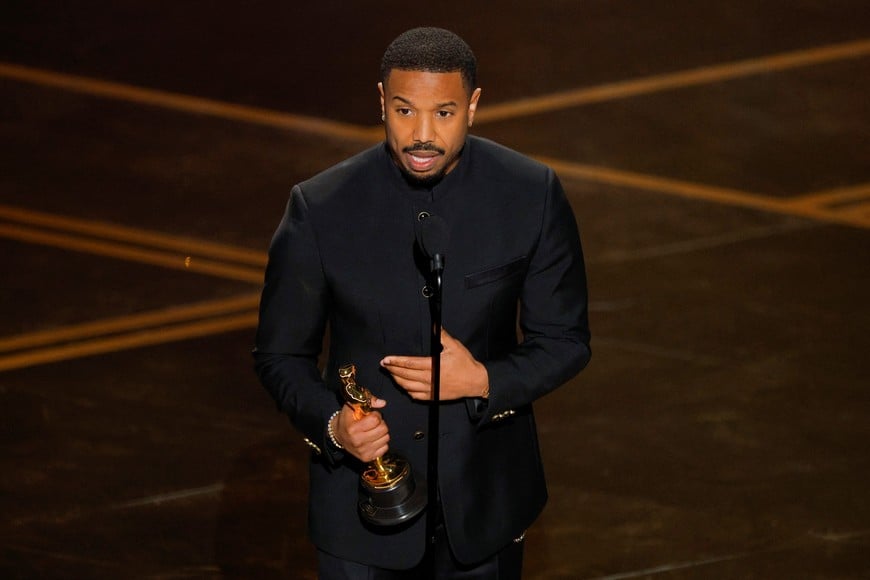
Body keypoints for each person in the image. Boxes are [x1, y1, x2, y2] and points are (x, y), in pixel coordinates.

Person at [253, 26, 591, 579]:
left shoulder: (530, 193)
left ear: (473, 106)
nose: (422, 135)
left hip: (484, 507)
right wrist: (335, 427)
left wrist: (482, 380)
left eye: (444, 113)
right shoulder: (320, 207)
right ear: (381, 101)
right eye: (405, 111)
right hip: (358, 517)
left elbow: (566, 340)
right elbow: (280, 355)